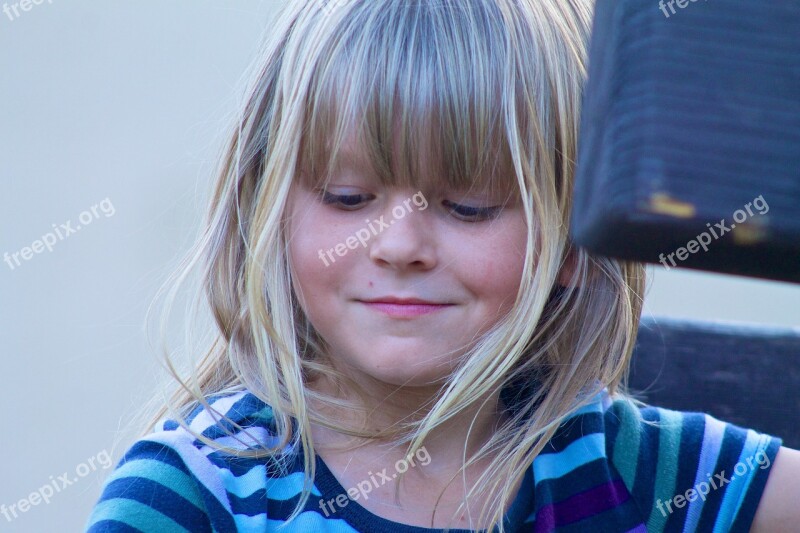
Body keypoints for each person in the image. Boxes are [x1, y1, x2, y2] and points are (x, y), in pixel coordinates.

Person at [84, 0, 800, 531]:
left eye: (469, 206)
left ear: (575, 243)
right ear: (262, 214)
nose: (399, 245)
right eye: (348, 195)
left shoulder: (626, 469)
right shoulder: (188, 496)